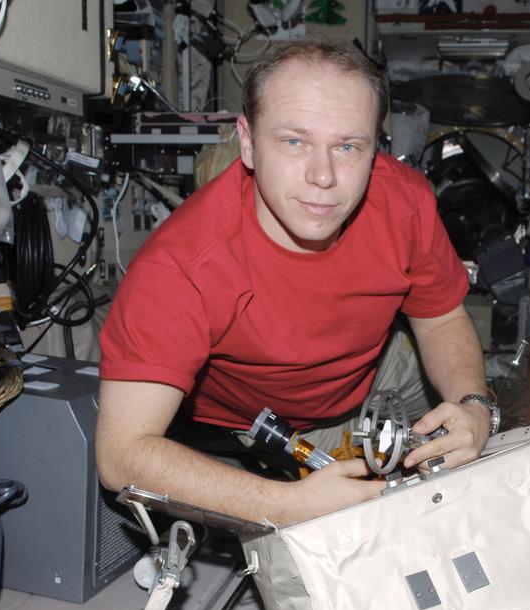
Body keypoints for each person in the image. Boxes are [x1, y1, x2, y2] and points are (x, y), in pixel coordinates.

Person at [96, 37, 496, 526]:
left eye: (348, 146)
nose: (323, 176)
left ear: (375, 150)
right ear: (247, 142)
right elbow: (122, 455)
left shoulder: (404, 202)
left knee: (491, 445)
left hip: (383, 361)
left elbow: (439, 320)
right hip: (287, 418)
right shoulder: (182, 267)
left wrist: (475, 406)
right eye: (293, 141)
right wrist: (283, 504)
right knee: (374, 535)